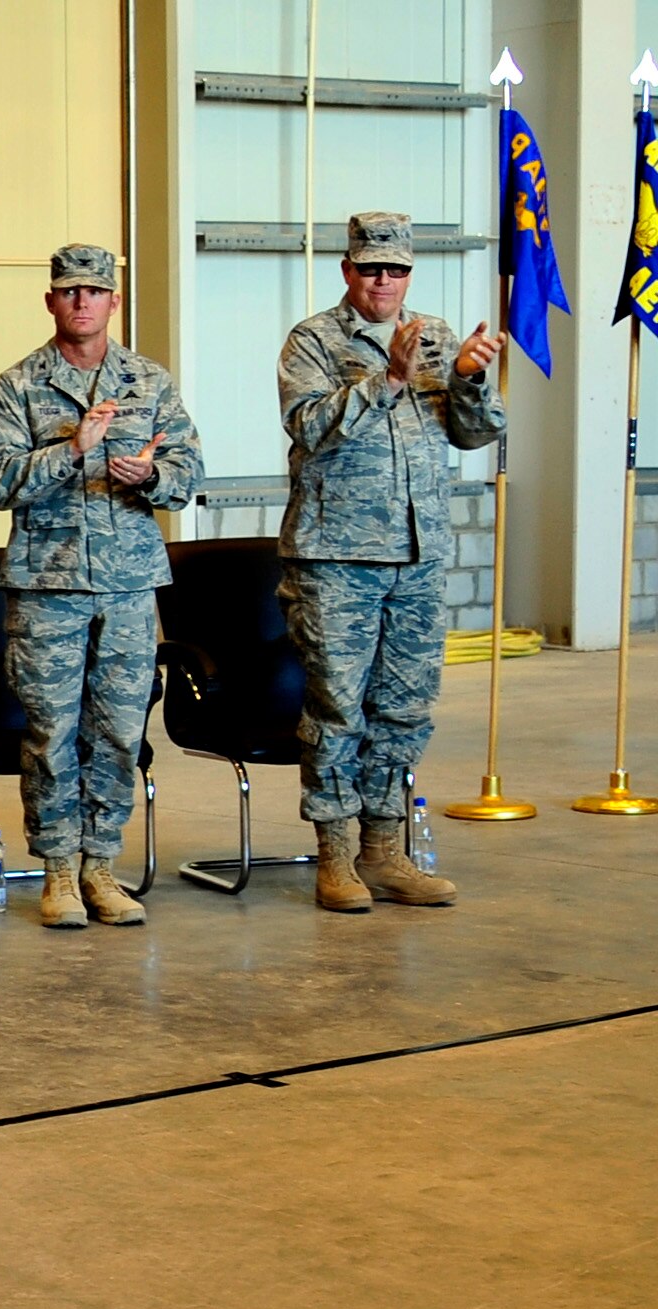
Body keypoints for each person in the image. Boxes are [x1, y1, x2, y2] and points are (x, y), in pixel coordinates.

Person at [277, 211, 505, 911]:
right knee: (339, 708)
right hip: (337, 554)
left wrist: (467, 379)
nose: (384, 281)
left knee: (405, 707)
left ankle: (385, 848)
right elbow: (308, 427)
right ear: (349, 271)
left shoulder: (435, 335)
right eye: (371, 268)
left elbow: (474, 435)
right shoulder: (314, 341)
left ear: (410, 273)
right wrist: (390, 379)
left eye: (397, 269)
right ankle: (336, 855)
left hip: (418, 552)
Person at [0, 244, 204, 928]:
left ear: (114, 302)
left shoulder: (149, 383)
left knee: (116, 731)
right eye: (69, 291)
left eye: (94, 292)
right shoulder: (18, 386)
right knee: (51, 731)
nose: (82, 302)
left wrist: (153, 478)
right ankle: (57, 872)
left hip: (131, 585)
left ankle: (101, 865)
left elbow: (189, 470)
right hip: (47, 583)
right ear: (50, 301)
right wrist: (70, 451)